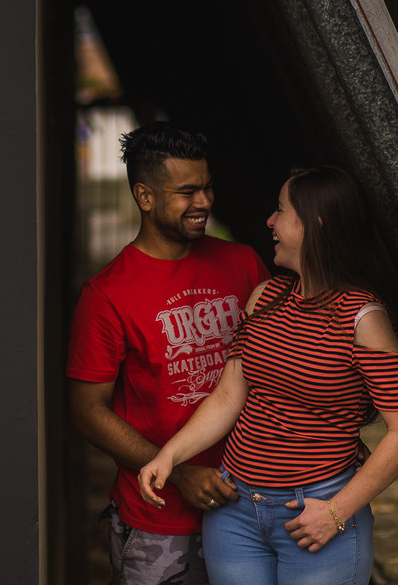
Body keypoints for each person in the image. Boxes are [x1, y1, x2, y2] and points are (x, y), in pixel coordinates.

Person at [138, 166, 398, 585]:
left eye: (281, 210)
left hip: (317, 513)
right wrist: (169, 455)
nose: (270, 221)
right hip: (234, 513)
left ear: (315, 224)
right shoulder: (265, 297)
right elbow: (228, 396)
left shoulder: (363, 318)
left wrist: (336, 512)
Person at [68, 121, 271, 585]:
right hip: (160, 523)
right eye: (187, 192)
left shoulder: (243, 263)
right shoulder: (106, 295)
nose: (204, 202)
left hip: (254, 509)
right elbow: (86, 411)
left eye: (207, 187)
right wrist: (178, 473)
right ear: (144, 196)